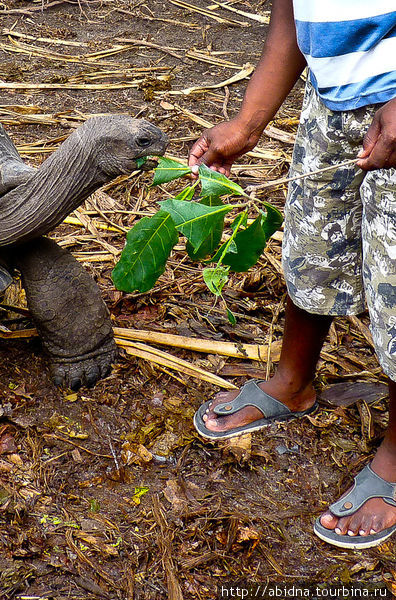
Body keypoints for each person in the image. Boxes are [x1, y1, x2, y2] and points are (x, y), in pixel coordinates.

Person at [188, 0, 396, 549]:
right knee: (312, 250)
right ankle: (293, 381)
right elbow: (292, 15)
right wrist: (249, 120)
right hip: (331, 103)